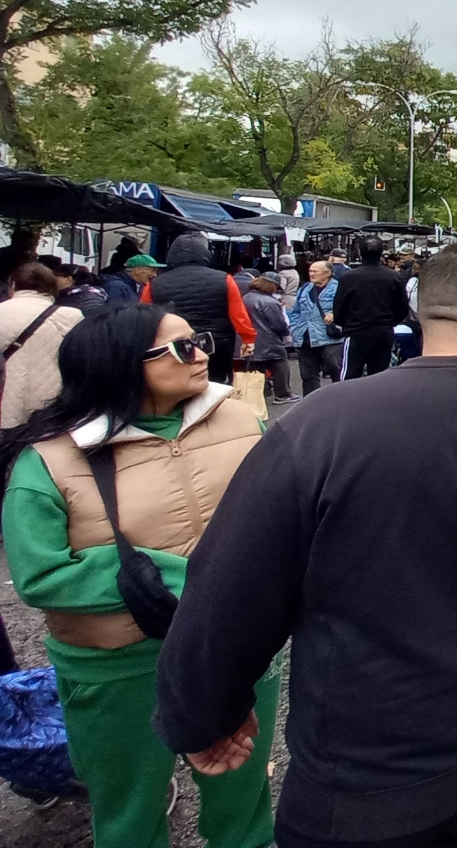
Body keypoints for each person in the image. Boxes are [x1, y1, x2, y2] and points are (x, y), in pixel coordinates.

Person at [151, 241, 457, 848]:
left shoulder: (321, 423)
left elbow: (234, 585)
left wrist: (202, 711)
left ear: (420, 312)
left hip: (357, 761)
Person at [2, 304, 276, 848]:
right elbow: (39, 573)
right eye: (181, 347)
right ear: (121, 363)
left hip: (232, 646)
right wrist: (169, 577)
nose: (201, 354)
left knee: (245, 799)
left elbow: (282, 515)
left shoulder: (242, 421)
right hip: (117, 665)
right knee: (128, 809)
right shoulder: (50, 459)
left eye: (199, 340)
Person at [142, 233, 255, 384]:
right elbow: (238, 313)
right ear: (204, 255)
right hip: (217, 343)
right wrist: (248, 338)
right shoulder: (224, 279)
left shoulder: (154, 285)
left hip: (175, 344)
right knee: (216, 384)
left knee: (180, 383)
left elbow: (145, 318)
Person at [0, 262, 84, 431]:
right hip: (52, 406)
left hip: (6, 401)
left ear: (13, 285)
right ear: (52, 287)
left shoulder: (2, 311)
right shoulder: (71, 316)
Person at [332, 236, 409, 380]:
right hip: (384, 330)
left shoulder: (349, 277)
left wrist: (345, 324)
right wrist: (390, 322)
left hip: (356, 330)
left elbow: (339, 306)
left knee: (350, 373)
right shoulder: (393, 276)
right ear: (381, 252)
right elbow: (403, 306)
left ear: (360, 252)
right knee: (380, 374)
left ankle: (348, 395)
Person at [290, 261, 343, 397]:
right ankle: (311, 402)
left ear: (327, 273)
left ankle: (341, 399)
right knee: (308, 376)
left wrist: (335, 315)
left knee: (336, 371)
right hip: (304, 338)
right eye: (310, 271)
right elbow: (296, 311)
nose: (311, 274)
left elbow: (349, 309)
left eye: (315, 271)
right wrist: (294, 328)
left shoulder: (339, 288)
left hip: (329, 338)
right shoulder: (305, 289)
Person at [244, 272, 295, 404]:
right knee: (280, 366)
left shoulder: (245, 298)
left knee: (255, 369)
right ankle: (283, 394)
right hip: (269, 341)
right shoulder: (269, 302)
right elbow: (279, 324)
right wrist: (286, 333)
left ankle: (256, 395)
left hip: (249, 340)